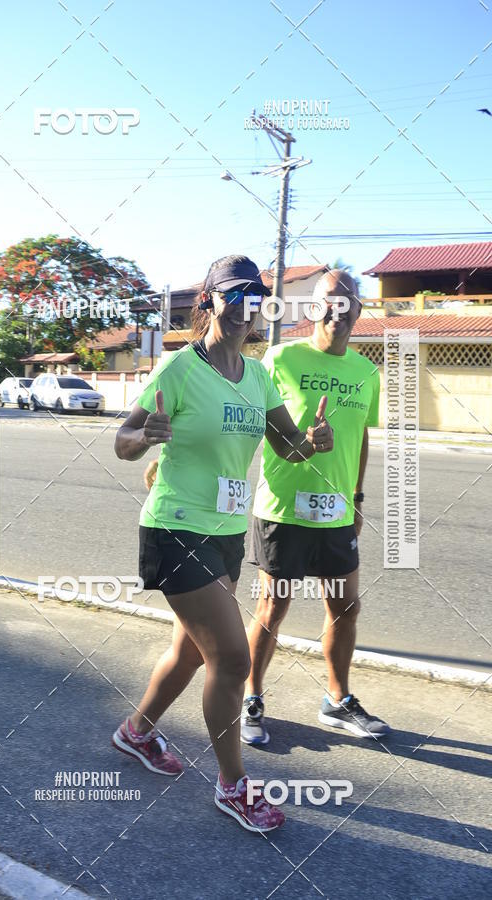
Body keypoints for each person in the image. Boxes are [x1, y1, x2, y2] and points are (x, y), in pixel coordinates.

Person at [112, 255, 334, 832]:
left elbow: (287, 447)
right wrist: (145, 436)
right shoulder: (180, 368)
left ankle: (136, 732)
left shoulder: (258, 377)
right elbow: (123, 440)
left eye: (254, 299)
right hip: (176, 528)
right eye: (232, 296)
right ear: (208, 301)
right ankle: (233, 785)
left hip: (227, 534)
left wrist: (313, 441)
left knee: (192, 651)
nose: (244, 309)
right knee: (232, 659)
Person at [243, 268, 390, 745]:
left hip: (337, 512)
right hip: (283, 507)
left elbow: (361, 437)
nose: (337, 310)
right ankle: (250, 697)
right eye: (328, 301)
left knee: (346, 607)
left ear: (359, 311)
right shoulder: (281, 358)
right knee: (273, 605)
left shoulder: (366, 372)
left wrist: (358, 497)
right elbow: (254, 424)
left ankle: (337, 699)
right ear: (312, 308)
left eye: (347, 302)